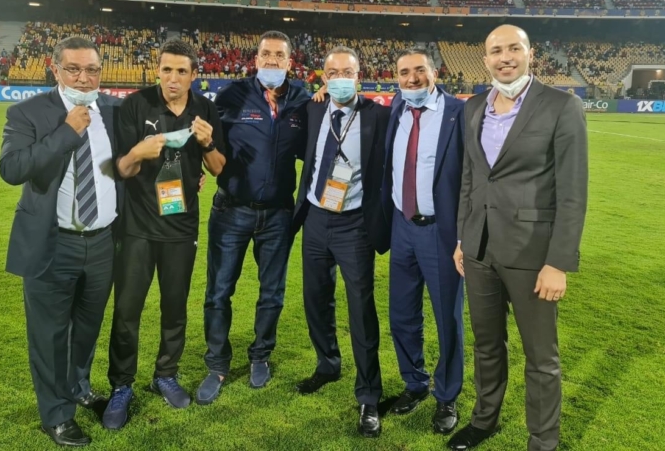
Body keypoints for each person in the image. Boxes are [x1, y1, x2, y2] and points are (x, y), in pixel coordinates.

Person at [448, 25, 588, 451]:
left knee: (540, 356)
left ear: (530, 54)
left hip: (533, 253)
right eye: (496, 50)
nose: (505, 57)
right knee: (487, 345)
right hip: (479, 250)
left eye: (513, 48)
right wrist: (463, 238)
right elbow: (471, 179)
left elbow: (573, 192)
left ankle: (543, 440)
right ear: (485, 59)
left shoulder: (562, 106)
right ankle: (484, 421)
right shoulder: (474, 107)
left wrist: (558, 261)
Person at [0, 37, 123, 447]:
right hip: (53, 243)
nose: (84, 78)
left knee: (87, 327)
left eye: (92, 70)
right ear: (55, 69)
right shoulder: (28, 112)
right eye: (73, 69)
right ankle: (56, 414)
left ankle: (78, 386)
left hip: (102, 242)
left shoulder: (114, 112)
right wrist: (67, 133)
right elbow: (12, 168)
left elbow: (135, 162)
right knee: (50, 334)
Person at [103, 39, 226, 429]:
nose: (173, 78)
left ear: (194, 75)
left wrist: (207, 142)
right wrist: (137, 153)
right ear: (157, 70)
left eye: (181, 71)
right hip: (137, 227)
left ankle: (165, 375)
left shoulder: (205, 109)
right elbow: (121, 168)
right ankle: (122, 385)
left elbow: (218, 168)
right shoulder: (135, 105)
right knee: (127, 310)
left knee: (175, 308)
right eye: (167, 70)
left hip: (181, 227)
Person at [197, 31, 310, 404]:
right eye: (266, 53)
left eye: (279, 54)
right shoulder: (232, 95)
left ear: (289, 62)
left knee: (272, 293)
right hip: (231, 211)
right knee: (218, 292)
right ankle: (217, 363)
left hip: (278, 214)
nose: (272, 60)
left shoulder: (303, 100)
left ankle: (260, 355)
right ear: (256, 59)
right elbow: (208, 146)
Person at [292, 46, 391, 438]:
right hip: (316, 218)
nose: (339, 79)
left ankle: (368, 395)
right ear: (323, 78)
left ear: (359, 75)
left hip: (354, 224)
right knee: (315, 299)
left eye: (347, 72)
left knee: (360, 308)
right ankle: (327, 364)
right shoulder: (313, 109)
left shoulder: (378, 115)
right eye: (332, 73)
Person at [382, 49, 466, 437]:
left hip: (440, 233)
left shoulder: (457, 113)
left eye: (419, 70)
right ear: (396, 77)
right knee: (402, 314)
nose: (412, 78)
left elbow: (471, 178)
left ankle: (447, 395)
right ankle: (414, 383)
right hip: (402, 227)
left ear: (434, 72)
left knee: (447, 318)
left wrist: (462, 235)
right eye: (404, 72)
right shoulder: (397, 107)